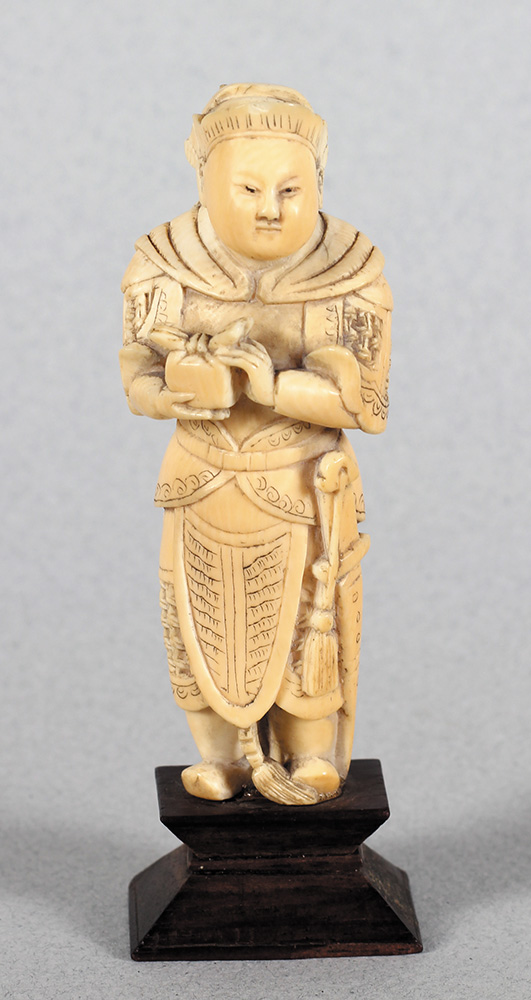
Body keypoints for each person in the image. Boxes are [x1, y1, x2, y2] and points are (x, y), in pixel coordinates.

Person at [119, 84, 392, 804]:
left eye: (289, 189)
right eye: (248, 188)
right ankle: (221, 759)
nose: (270, 207)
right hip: (201, 476)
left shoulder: (348, 268)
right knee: (197, 621)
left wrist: (270, 386)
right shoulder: (163, 261)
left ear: (318, 184)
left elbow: (366, 402)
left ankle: (309, 755)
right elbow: (137, 374)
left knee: (308, 618)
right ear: (205, 180)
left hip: (301, 480)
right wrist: (169, 394)